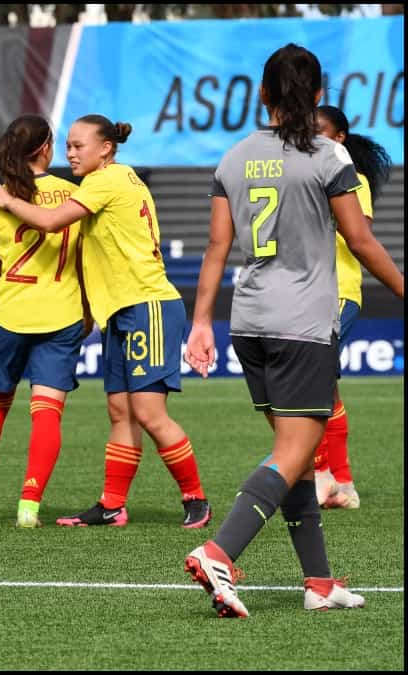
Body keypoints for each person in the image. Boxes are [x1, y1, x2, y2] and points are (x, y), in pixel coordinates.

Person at [182, 43, 403, 618]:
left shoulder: (233, 158)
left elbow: (216, 247)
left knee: (299, 460)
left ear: (262, 94)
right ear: (320, 95)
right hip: (302, 323)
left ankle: (319, 582)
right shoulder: (330, 157)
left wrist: (201, 321)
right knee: (293, 452)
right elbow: (360, 241)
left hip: (249, 321)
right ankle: (218, 552)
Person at [0, 115, 210, 529]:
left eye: (79, 146)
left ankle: (195, 497)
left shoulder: (105, 181)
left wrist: (9, 201)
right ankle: (112, 505)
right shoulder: (112, 180)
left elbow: (50, 222)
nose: (70, 153)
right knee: (120, 410)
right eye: (67, 145)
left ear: (106, 148)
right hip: (121, 310)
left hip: (148, 304)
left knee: (147, 411)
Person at [0, 115, 88, 529]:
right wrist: (87, 306)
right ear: (46, 148)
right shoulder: (73, 193)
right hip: (62, 312)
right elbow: (83, 260)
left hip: (10, 313)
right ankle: (29, 507)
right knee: (47, 411)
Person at [310, 104, 393, 510]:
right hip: (308, 294)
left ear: (339, 138)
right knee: (325, 386)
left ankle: (321, 475)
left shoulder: (350, 179)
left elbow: (361, 236)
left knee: (307, 381)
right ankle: (343, 484)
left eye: (319, 133)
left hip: (338, 292)